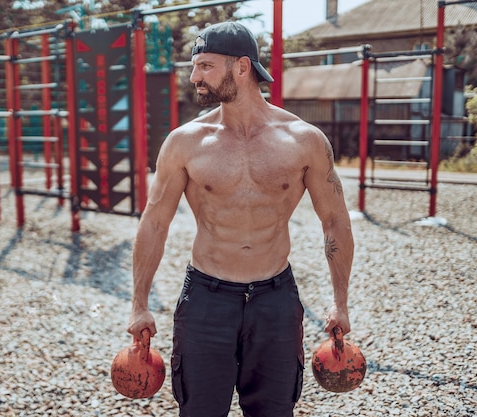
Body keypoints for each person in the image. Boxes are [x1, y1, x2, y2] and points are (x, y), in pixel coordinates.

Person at [128, 21, 354, 417]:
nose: (195, 77)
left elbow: (334, 219)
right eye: (194, 67)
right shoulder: (185, 142)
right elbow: (154, 222)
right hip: (205, 301)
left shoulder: (304, 140)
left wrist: (340, 303)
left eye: (206, 66)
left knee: (273, 411)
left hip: (275, 301)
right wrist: (138, 305)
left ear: (243, 67)